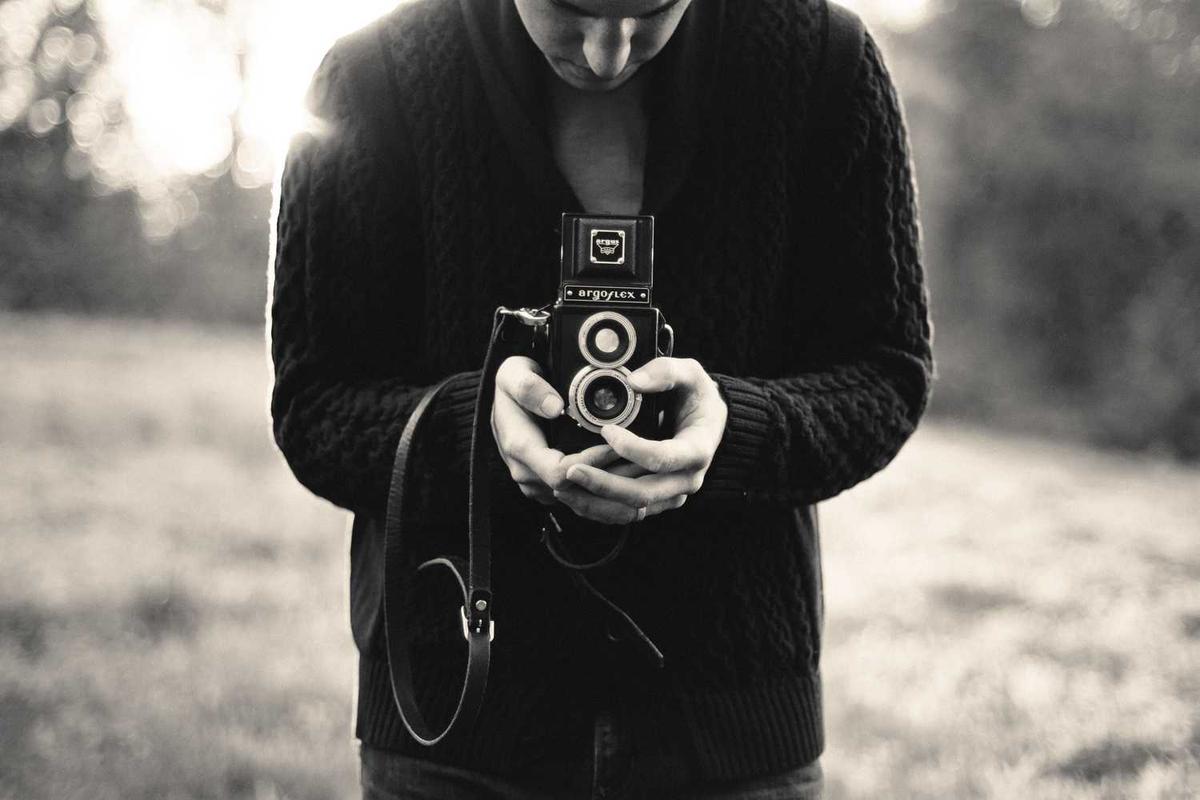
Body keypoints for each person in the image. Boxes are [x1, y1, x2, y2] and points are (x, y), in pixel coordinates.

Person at [268, 0, 933, 797]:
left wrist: (734, 433)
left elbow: (887, 368)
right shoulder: (372, 78)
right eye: (572, 9)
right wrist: (475, 430)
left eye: (653, 10)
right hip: (456, 724)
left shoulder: (823, 61)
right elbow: (314, 401)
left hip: (730, 724)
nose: (609, 52)